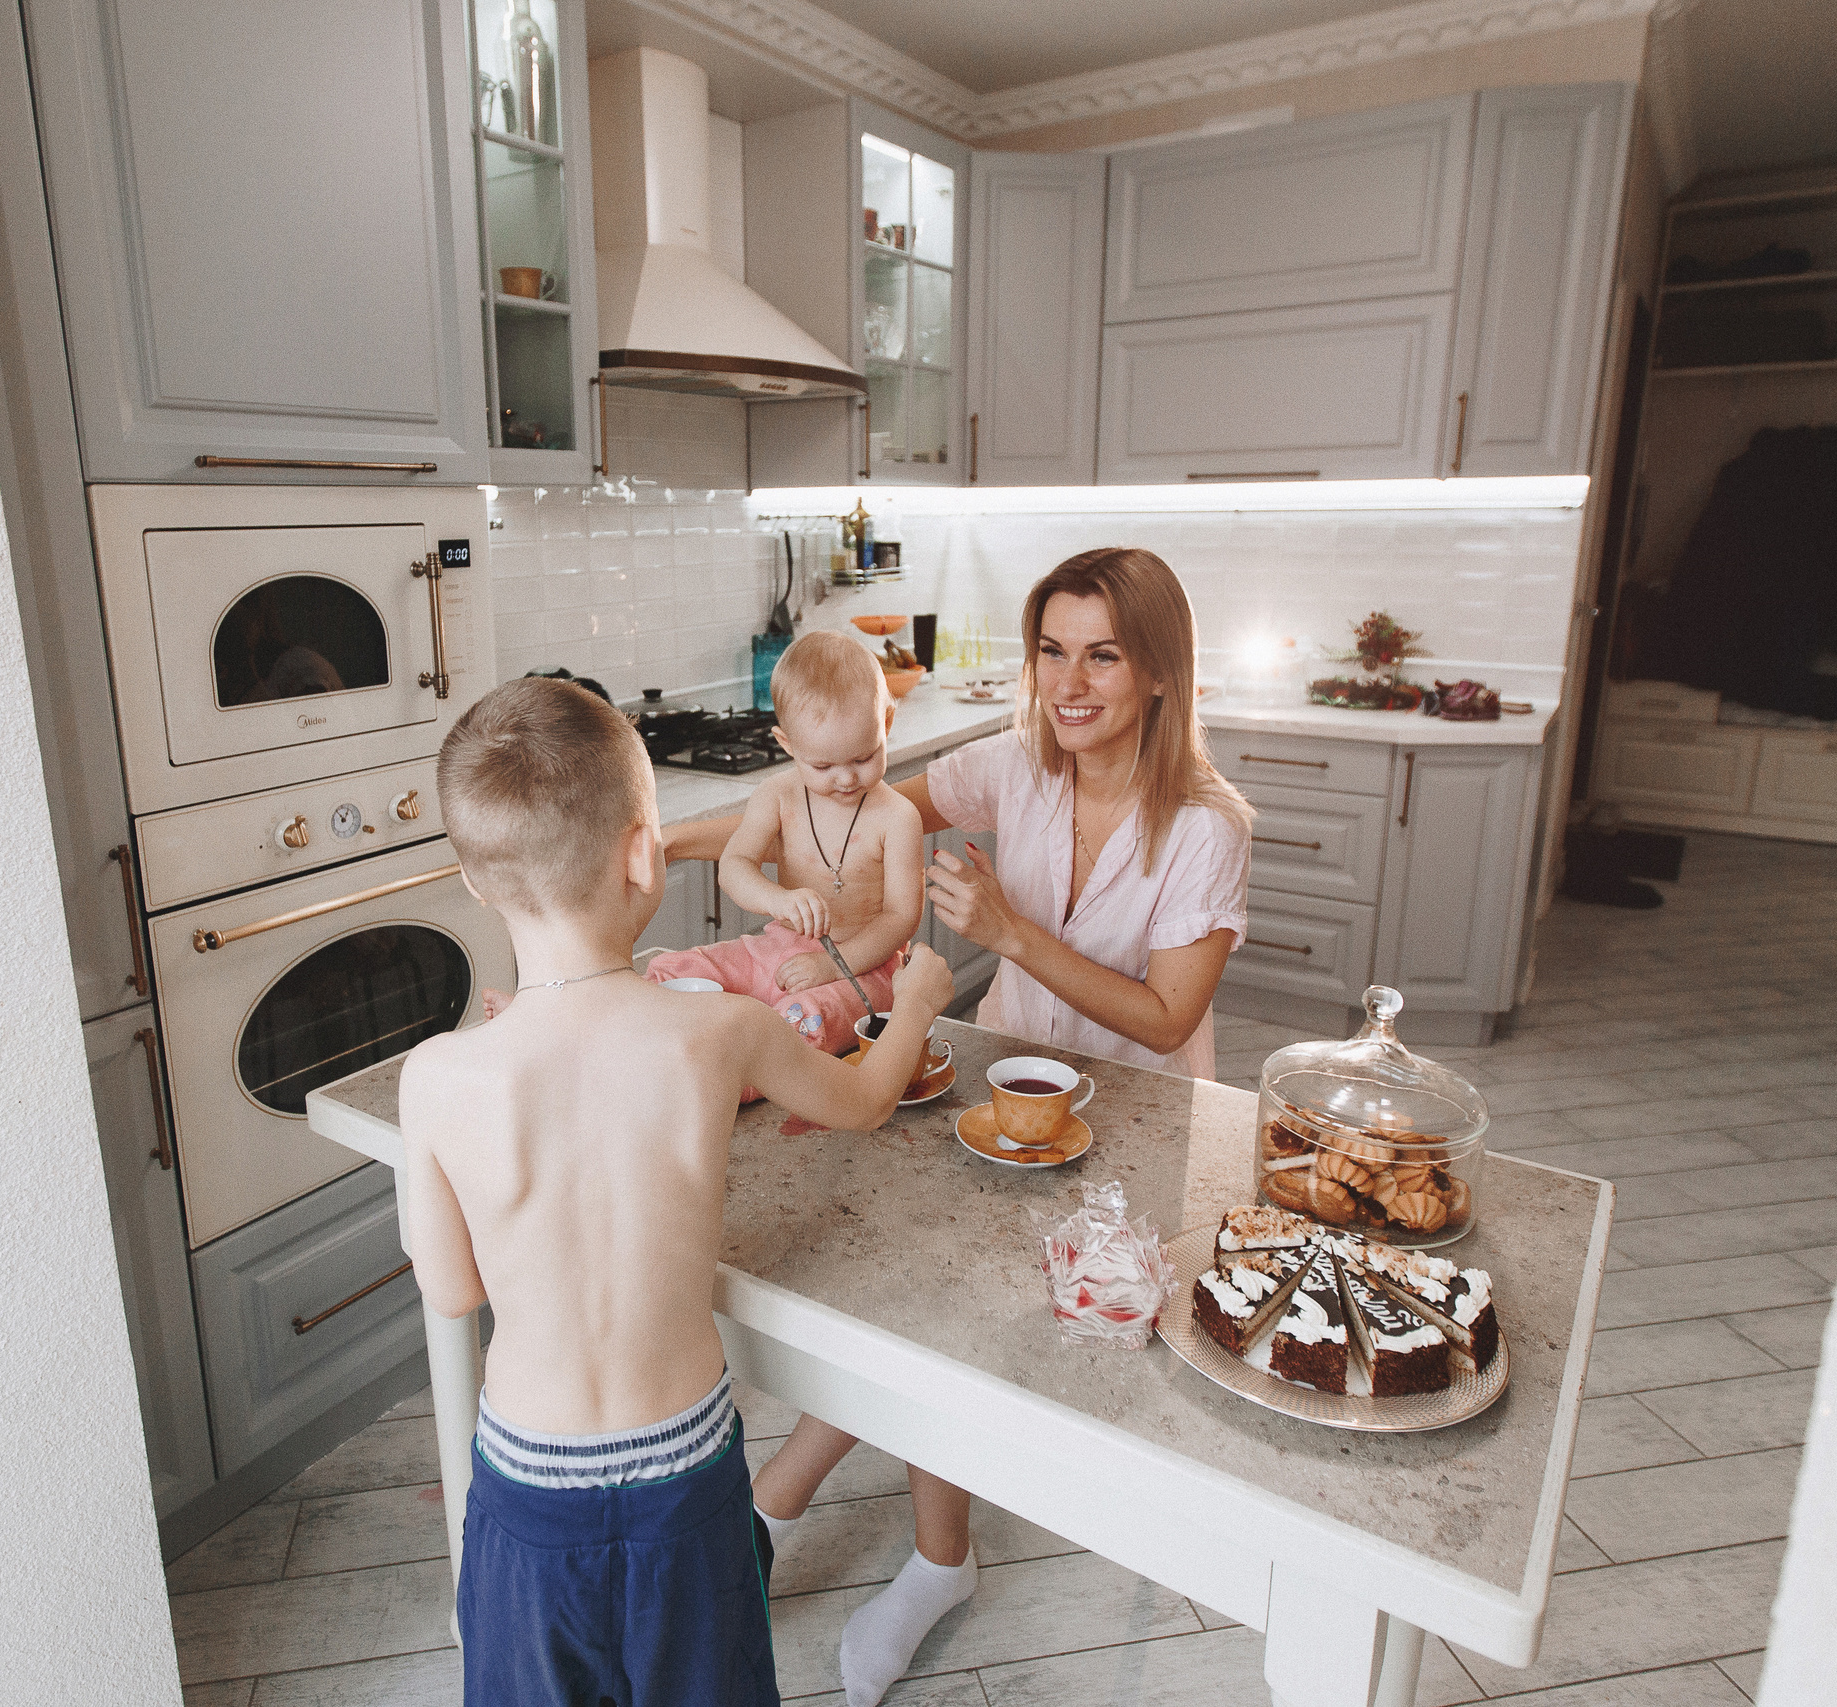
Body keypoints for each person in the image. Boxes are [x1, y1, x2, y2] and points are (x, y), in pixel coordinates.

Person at [728, 550, 1254, 1706]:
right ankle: (862, 1543)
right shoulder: (1018, 765)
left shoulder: (1206, 828)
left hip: (1133, 1124)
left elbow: (1170, 1019)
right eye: (1051, 649)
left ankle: (820, 1531)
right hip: (989, 1090)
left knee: (949, 1329)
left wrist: (1008, 935)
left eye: (1102, 654)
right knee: (920, 1311)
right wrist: (721, 855)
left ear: (1160, 671)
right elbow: (868, 806)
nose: (1068, 682)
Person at [398, 676, 955, 1707]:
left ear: (474, 883)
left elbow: (451, 1292)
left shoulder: (435, 1078)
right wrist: (914, 1000)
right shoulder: (715, 1033)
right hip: (685, 1483)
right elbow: (871, 1098)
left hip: (528, 1492)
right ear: (646, 855)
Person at [646, 631, 924, 1053]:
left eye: (864, 757)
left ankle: (731, 1074)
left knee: (804, 1016)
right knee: (671, 969)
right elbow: (735, 866)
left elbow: (901, 918)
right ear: (787, 744)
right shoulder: (777, 795)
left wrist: (831, 964)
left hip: (865, 969)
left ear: (886, 723)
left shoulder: (899, 817)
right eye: (823, 764)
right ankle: (678, 1046)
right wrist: (776, 900)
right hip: (781, 949)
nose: (846, 778)